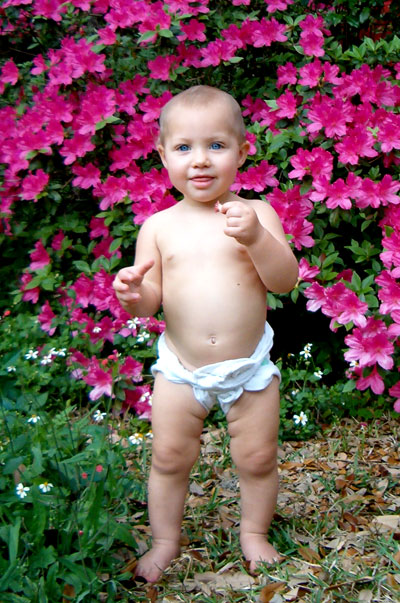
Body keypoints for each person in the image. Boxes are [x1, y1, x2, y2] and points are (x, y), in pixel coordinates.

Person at [113, 85, 299, 583]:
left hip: (248, 367)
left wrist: (258, 238)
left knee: (257, 457)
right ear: (163, 156)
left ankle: (254, 534)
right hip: (180, 367)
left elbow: (285, 281)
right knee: (169, 456)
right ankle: (165, 541)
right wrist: (134, 294)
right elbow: (153, 298)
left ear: (243, 151)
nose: (200, 161)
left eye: (216, 146)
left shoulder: (257, 214)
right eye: (184, 148)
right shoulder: (158, 226)